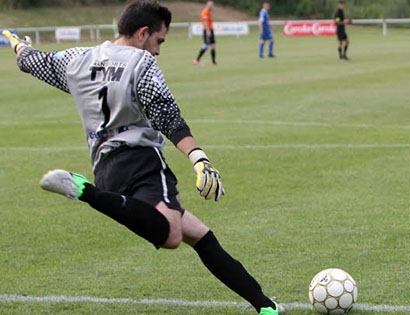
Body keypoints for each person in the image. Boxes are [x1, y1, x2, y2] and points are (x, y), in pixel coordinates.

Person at [3, 1, 284, 314]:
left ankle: (266, 307)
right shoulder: (141, 63)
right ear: (142, 33)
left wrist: (19, 47)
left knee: (199, 235)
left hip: (106, 168)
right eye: (159, 41)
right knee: (173, 234)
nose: (158, 50)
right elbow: (167, 115)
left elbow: (33, 62)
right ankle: (84, 191)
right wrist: (198, 158)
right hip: (141, 161)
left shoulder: (78, 58)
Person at [193, 0, 217, 65]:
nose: (212, 6)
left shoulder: (208, 12)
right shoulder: (205, 12)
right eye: (211, 5)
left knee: (213, 45)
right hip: (207, 30)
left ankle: (213, 62)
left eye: (212, 5)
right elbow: (205, 21)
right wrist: (208, 30)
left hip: (210, 30)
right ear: (207, 5)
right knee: (206, 45)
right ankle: (196, 60)